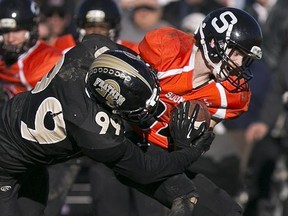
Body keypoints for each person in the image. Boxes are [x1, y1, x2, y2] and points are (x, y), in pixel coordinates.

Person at [0, 33, 214, 216]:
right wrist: (190, 152)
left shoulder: (92, 49)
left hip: (28, 154)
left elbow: (125, 60)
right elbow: (145, 170)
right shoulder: (90, 126)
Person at [122, 7, 263, 216]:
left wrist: (190, 143)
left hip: (165, 157)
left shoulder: (231, 94)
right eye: (235, 53)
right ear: (213, 43)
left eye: (244, 58)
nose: (239, 64)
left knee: (229, 212)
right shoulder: (167, 50)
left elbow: (197, 140)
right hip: (123, 138)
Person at [0, 0, 62, 103]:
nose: (10, 38)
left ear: (31, 29)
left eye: (17, 30)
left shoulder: (49, 59)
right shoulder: (3, 57)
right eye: (6, 31)